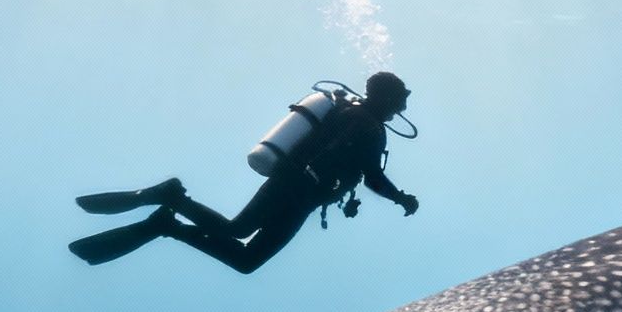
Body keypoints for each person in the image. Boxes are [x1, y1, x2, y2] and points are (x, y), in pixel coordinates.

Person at [69, 72, 419, 273]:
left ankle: (168, 222)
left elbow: (361, 171)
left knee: (247, 258)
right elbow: (372, 175)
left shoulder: (354, 116)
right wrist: (400, 197)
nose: (403, 106)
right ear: (386, 97)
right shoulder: (368, 125)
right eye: (401, 98)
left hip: (300, 194)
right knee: (238, 235)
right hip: (295, 187)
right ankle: (170, 201)